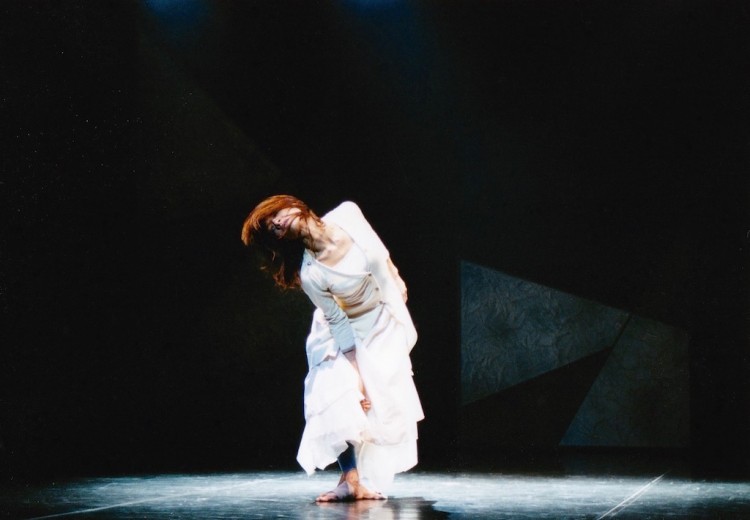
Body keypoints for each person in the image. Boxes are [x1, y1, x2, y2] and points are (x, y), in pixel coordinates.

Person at [241, 195, 423, 502]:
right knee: (341, 392)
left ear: (292, 204)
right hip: (341, 331)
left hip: (380, 320)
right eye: (273, 228)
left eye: (276, 215)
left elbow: (380, 253)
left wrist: (396, 278)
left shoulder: (347, 214)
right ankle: (350, 479)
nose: (279, 222)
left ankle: (359, 480)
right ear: (280, 238)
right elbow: (337, 321)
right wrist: (357, 375)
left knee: (382, 404)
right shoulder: (310, 273)